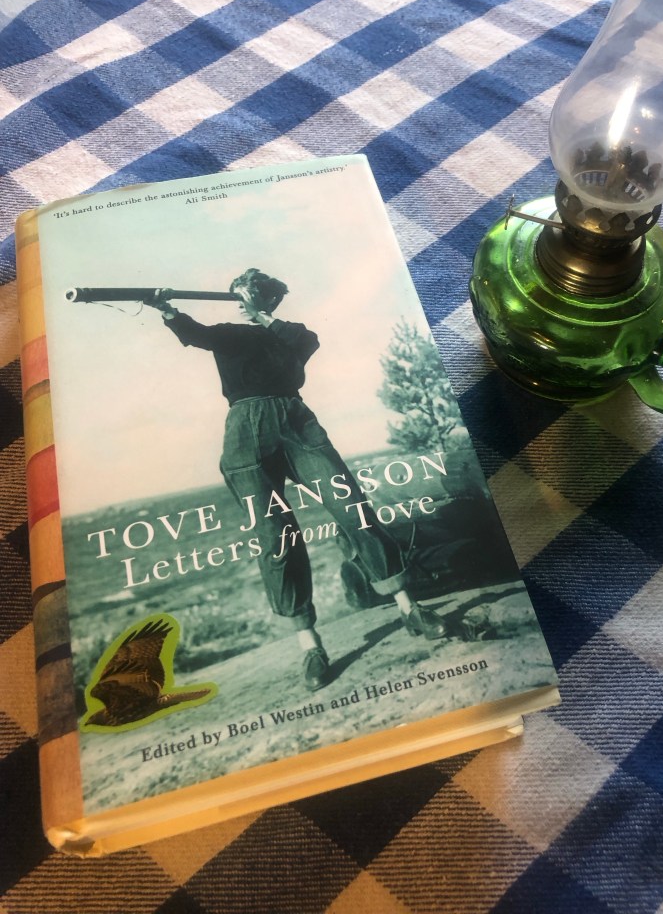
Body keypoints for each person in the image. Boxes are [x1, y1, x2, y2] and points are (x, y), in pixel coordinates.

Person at [149, 268, 446, 691]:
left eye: (246, 296)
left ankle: (409, 609)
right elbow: (195, 333)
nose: (239, 303)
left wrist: (262, 315)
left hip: (297, 424)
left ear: (267, 300)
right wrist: (165, 308)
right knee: (274, 536)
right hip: (245, 434)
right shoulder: (230, 335)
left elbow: (305, 341)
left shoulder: (292, 336)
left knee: (353, 509)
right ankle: (311, 647)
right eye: (236, 296)